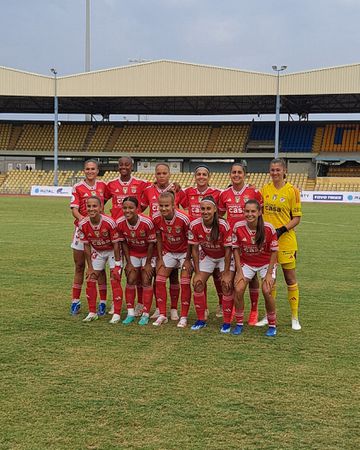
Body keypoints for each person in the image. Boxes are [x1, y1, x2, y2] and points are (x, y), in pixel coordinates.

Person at [257, 158, 302, 331]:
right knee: (270, 281)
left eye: (278, 170)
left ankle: (294, 317)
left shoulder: (293, 191)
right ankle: (269, 317)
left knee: (290, 279)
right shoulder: (264, 190)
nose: (275, 172)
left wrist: (281, 230)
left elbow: (296, 217)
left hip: (287, 241)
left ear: (284, 171)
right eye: (272, 170)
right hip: (268, 243)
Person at [218, 162, 263, 325]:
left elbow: (260, 215)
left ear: (245, 175)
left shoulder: (253, 192)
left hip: (249, 241)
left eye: (239, 172)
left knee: (253, 277)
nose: (236, 175)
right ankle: (231, 311)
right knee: (231, 275)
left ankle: (253, 310)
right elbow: (220, 215)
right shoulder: (224, 194)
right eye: (233, 172)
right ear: (230, 174)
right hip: (231, 242)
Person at [105, 156, 151, 314]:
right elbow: (99, 201)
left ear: (132, 166)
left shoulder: (141, 183)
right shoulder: (110, 184)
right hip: (116, 232)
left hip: (134, 233)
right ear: (118, 166)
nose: (123, 167)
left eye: (127, 165)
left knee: (136, 272)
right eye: (121, 165)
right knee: (117, 269)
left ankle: (139, 304)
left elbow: (155, 191)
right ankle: (115, 301)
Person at [177, 165, 223, 317]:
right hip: (194, 237)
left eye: (204, 174)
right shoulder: (188, 191)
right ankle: (203, 307)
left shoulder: (216, 193)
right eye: (198, 174)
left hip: (211, 238)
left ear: (209, 177)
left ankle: (222, 303)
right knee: (198, 272)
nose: (201, 177)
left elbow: (221, 212)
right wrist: (175, 189)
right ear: (195, 177)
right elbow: (175, 202)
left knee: (217, 273)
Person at [232, 199, 278, 337]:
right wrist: (239, 271)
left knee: (267, 290)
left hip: (266, 264)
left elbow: (274, 251)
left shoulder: (268, 228)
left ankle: (272, 325)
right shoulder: (238, 226)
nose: (249, 214)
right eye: (247, 211)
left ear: (259, 212)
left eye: (253, 211)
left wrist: (269, 273)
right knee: (238, 289)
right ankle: (239, 323)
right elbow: (235, 249)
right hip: (247, 263)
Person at [140, 163, 181, 320]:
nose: (161, 175)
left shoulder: (176, 189)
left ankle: (174, 309)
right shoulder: (148, 190)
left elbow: (185, 207)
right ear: (155, 174)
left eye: (164, 173)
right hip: (156, 236)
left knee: (174, 275)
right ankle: (159, 307)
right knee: (159, 273)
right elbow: (140, 210)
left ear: (169, 174)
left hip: (173, 237)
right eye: (159, 173)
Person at [69, 160, 108, 316]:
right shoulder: (77, 187)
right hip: (82, 230)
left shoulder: (103, 186)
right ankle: (75, 301)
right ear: (84, 171)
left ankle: (103, 303)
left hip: (99, 232)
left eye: (93, 169)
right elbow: (74, 210)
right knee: (79, 266)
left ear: (97, 171)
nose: (90, 171)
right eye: (87, 169)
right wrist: (84, 222)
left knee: (100, 269)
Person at [189, 196, 233, 331]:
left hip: (223, 257)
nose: (205, 212)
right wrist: (197, 272)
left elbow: (228, 250)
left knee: (226, 284)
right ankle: (201, 319)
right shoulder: (195, 225)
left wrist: (225, 272)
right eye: (203, 209)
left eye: (208, 208)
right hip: (207, 255)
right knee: (197, 283)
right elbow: (195, 250)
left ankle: (226, 322)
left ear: (215, 209)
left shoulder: (223, 225)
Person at [78, 196, 123, 323]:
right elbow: (86, 246)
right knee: (91, 278)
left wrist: (118, 264)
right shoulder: (83, 224)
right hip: (97, 251)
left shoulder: (109, 222)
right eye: (89, 206)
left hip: (112, 251)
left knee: (115, 278)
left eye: (94, 206)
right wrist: (90, 267)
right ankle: (92, 312)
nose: (91, 209)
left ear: (101, 208)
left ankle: (117, 313)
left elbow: (116, 244)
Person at [152, 191, 192, 327]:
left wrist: (187, 259)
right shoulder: (156, 218)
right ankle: (163, 314)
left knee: (185, 280)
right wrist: (160, 258)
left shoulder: (184, 218)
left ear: (173, 205)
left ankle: (184, 317)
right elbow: (158, 238)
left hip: (185, 252)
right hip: (168, 252)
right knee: (159, 279)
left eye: (166, 206)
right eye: (161, 206)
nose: (163, 209)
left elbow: (191, 241)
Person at [116, 197, 157, 326]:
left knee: (146, 279)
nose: (127, 210)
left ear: (137, 209)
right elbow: (124, 244)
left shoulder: (147, 222)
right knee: (131, 278)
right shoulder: (120, 223)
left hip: (148, 254)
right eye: (125, 208)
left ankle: (145, 314)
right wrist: (128, 262)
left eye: (130, 208)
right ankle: (130, 313)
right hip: (133, 253)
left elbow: (151, 244)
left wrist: (148, 263)